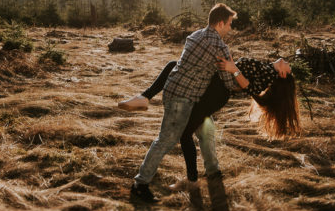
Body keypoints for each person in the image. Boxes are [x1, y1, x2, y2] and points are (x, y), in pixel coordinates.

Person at [121, 56, 301, 191]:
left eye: (289, 68)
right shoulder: (267, 68)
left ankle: (192, 182)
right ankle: (213, 172)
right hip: (213, 89)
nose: (288, 63)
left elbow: (249, 87)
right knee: (174, 68)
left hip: (215, 94)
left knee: (185, 133)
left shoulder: (269, 74)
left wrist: (233, 69)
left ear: (283, 74)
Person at [129, 3, 247, 203]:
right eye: (229, 24)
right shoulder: (219, 47)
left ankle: (211, 173)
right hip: (182, 99)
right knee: (165, 141)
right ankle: (140, 185)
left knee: (205, 131)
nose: (230, 29)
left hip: (173, 89)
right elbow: (230, 83)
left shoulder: (196, 35)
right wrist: (237, 72)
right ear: (220, 23)